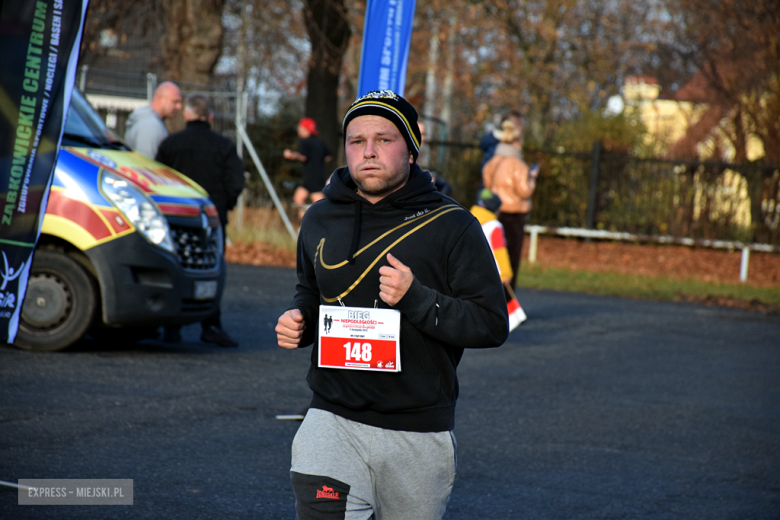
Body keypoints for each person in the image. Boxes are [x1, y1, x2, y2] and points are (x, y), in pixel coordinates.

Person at [275, 90, 509, 519]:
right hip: (331, 420)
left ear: (411, 147)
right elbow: (310, 289)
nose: (367, 152)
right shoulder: (319, 217)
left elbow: (492, 324)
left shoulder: (453, 225)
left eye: (383, 139)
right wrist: (301, 319)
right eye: (356, 140)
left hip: (416, 431)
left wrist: (416, 298)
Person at [155, 93, 245, 347]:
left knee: (175, 266)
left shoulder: (170, 144)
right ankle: (211, 325)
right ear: (211, 117)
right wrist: (223, 205)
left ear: (186, 114)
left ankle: (171, 327)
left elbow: (157, 180)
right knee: (212, 270)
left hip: (175, 218)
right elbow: (236, 182)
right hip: (211, 220)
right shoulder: (224, 146)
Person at [482, 119, 539, 291]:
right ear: (517, 142)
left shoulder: (493, 161)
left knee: (496, 257)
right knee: (512, 258)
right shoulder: (518, 164)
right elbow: (524, 191)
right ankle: (508, 299)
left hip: (496, 212)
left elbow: (486, 182)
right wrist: (532, 178)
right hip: (515, 213)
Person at [283, 117, 333, 218]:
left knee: (319, 204)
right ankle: (305, 226)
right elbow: (329, 156)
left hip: (312, 177)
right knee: (298, 198)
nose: (298, 130)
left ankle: (321, 228)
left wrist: (291, 154)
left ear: (306, 130)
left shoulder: (305, 141)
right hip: (317, 176)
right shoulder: (319, 142)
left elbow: (303, 157)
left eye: (300, 128)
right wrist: (317, 161)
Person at [124, 81, 183, 159]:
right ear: (160, 98)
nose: (179, 107)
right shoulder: (151, 126)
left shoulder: (148, 120)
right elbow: (146, 165)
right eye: (175, 101)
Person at [470, 189, 513, 287]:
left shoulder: (467, 220)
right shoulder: (494, 226)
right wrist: (506, 273)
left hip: (470, 270)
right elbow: (499, 251)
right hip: (491, 273)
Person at [417, 120, 453, 196]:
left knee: (445, 186)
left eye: (423, 134)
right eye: (418, 134)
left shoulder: (418, 153)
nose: (422, 138)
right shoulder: (407, 153)